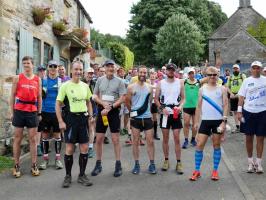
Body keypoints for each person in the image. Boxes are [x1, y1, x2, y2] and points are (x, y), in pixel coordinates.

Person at [56, 61, 93, 188]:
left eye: (80, 69)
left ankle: (82, 175)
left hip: (83, 119)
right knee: (70, 149)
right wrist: (60, 121)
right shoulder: (65, 86)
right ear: (71, 70)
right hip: (70, 120)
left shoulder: (85, 86)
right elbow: (58, 104)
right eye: (76, 69)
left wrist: (91, 115)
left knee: (84, 148)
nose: (78, 72)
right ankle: (68, 176)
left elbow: (88, 101)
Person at [190, 66, 228, 181]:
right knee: (199, 145)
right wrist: (196, 122)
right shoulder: (202, 89)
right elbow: (198, 106)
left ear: (217, 75)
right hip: (205, 121)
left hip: (217, 121)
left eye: (214, 75)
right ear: (206, 76)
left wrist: (224, 122)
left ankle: (215, 171)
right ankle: (197, 170)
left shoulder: (222, 89)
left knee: (216, 145)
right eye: (210, 75)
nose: (212, 77)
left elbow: (226, 105)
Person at [91, 60, 126, 177]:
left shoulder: (120, 81)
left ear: (115, 68)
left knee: (115, 139)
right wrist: (103, 104)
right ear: (104, 68)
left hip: (114, 111)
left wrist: (110, 107)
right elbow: (94, 96)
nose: (110, 68)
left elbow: (123, 98)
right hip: (102, 111)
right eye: (108, 66)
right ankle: (98, 164)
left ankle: (118, 164)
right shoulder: (99, 80)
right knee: (99, 138)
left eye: (112, 66)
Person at [10, 56, 42, 178]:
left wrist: (39, 112)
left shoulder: (37, 79)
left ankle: (34, 164)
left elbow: (39, 97)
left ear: (32, 65)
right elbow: (12, 96)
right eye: (24, 63)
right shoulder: (17, 78)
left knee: (33, 139)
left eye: (28, 63)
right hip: (19, 111)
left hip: (32, 111)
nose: (26, 65)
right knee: (17, 138)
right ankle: (16, 165)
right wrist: (11, 112)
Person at [125, 65, 157, 174]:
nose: (143, 74)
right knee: (135, 142)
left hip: (147, 117)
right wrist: (133, 112)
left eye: (144, 73)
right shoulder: (131, 87)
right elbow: (127, 102)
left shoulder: (149, 87)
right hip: (136, 119)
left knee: (150, 141)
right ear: (137, 73)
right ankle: (136, 164)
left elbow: (150, 101)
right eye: (141, 72)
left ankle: (152, 164)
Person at [155, 63, 185, 174]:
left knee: (177, 138)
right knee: (165, 138)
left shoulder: (180, 82)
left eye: (173, 70)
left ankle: (179, 162)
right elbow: (156, 99)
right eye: (169, 70)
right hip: (165, 114)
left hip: (176, 113)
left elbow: (183, 98)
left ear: (175, 71)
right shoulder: (160, 83)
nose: (171, 72)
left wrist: (180, 107)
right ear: (166, 71)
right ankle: (166, 160)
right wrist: (162, 109)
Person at [237, 61, 266, 174]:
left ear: (261, 69)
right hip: (248, 112)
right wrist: (239, 111)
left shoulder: (265, 80)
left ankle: (258, 163)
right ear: (251, 69)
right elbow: (241, 97)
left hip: (262, 112)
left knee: (260, 138)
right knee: (248, 138)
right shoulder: (246, 81)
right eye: (254, 68)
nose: (256, 70)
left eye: (258, 68)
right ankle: (250, 162)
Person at [39, 60, 63, 170]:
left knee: (57, 136)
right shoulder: (43, 80)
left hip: (56, 112)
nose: (53, 68)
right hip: (45, 112)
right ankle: (45, 160)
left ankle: (58, 160)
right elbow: (39, 96)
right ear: (48, 68)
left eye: (55, 66)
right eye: (51, 66)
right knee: (45, 136)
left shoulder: (60, 81)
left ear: (58, 68)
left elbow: (63, 98)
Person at [182, 67, 200, 149]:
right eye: (190, 73)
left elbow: (208, 78)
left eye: (193, 73)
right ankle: (186, 140)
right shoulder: (184, 81)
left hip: (196, 107)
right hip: (186, 106)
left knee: (195, 125)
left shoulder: (198, 82)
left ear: (195, 73)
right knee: (186, 123)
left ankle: (193, 139)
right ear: (188, 74)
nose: (191, 74)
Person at [227, 64, 246, 133]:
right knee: (235, 111)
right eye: (234, 69)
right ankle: (237, 127)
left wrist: (239, 94)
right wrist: (231, 93)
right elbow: (227, 87)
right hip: (233, 96)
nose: (235, 70)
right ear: (232, 69)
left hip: (240, 96)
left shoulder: (242, 76)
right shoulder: (230, 77)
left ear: (239, 69)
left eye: (236, 69)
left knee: (242, 111)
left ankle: (243, 126)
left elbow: (245, 86)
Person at [83, 68, 97, 158]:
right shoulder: (80, 83)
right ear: (85, 74)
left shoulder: (94, 84)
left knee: (91, 128)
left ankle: (91, 148)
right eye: (89, 73)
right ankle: (82, 145)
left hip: (92, 109)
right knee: (83, 128)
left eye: (92, 74)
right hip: (81, 109)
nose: (90, 75)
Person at [36, 65, 46, 156]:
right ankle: (38, 146)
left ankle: (43, 146)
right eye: (40, 71)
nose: (42, 72)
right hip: (37, 108)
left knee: (43, 127)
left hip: (45, 108)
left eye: (43, 71)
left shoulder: (46, 81)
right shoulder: (35, 81)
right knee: (38, 128)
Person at [150, 72, 160, 140]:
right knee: (148, 118)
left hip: (154, 103)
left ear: (155, 77)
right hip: (148, 103)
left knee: (155, 118)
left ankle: (155, 133)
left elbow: (159, 94)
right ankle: (148, 133)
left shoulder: (157, 85)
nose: (152, 78)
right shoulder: (147, 84)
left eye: (153, 76)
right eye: (151, 76)